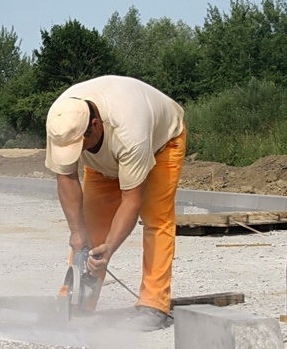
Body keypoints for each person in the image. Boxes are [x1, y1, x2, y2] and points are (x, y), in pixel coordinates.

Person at [45, 75, 187, 331]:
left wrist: (110, 247)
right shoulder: (60, 120)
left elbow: (132, 199)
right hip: (105, 159)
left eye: (80, 146)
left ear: (96, 125)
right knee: (91, 232)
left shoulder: (129, 132)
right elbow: (66, 177)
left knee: (156, 218)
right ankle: (77, 304)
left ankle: (154, 304)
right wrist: (77, 231)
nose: (77, 154)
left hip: (160, 144)